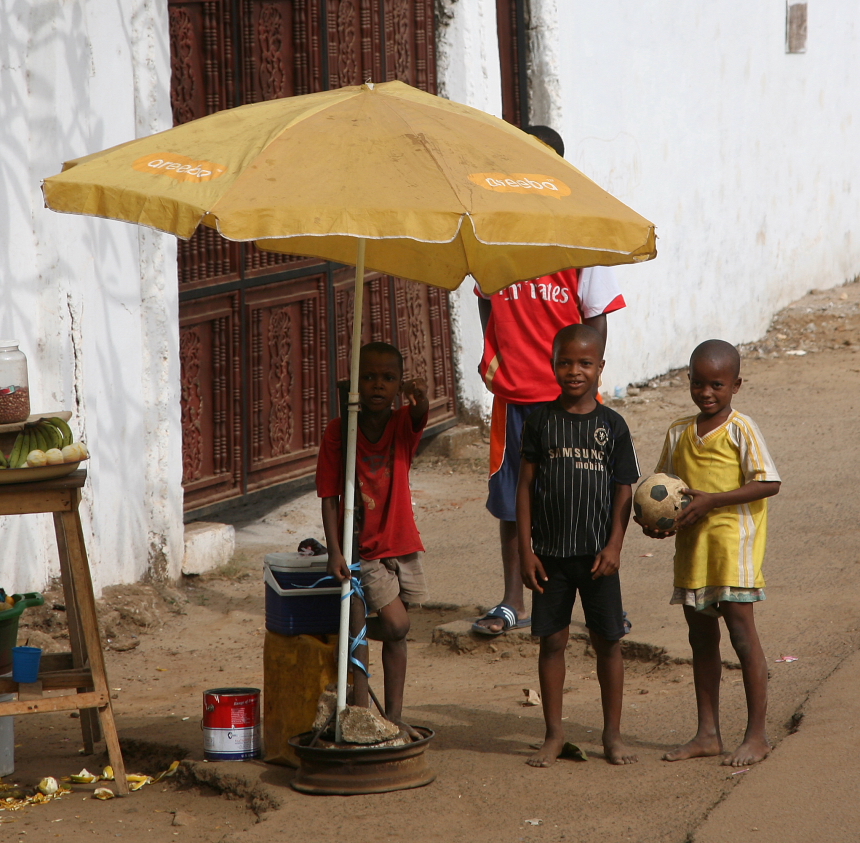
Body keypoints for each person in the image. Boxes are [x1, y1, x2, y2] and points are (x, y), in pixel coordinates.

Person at [472, 126, 627, 636]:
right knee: (513, 497)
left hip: (569, 400)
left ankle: (603, 601)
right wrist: (502, 361)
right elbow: (485, 299)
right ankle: (513, 600)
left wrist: (584, 376)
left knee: (587, 494)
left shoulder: (580, 234)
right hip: (514, 397)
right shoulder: (494, 232)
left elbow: (596, 315)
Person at [640, 339, 781, 767]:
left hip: (733, 552)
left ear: (736, 385)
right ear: (688, 381)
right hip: (694, 553)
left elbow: (769, 483)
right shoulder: (678, 431)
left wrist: (712, 501)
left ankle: (756, 736)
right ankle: (707, 733)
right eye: (698, 383)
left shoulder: (742, 428)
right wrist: (660, 521)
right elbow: (667, 488)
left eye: (716, 385)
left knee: (742, 637)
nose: (706, 393)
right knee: (701, 641)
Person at [518, 324, 639, 766]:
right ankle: (553, 734)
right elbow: (526, 486)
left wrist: (615, 545)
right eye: (565, 362)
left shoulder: (613, 426)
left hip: (598, 559)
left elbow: (625, 488)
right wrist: (525, 550)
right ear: (552, 365)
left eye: (585, 363)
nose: (574, 371)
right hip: (549, 556)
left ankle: (612, 734)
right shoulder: (540, 422)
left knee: (608, 642)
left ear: (600, 368)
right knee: (552, 643)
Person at [316, 342, 429, 728]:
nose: (377, 385)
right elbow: (329, 496)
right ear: (354, 383)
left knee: (398, 636)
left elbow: (419, 416)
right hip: (364, 547)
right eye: (368, 377)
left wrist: (420, 400)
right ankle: (346, 637)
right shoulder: (339, 432)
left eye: (387, 378)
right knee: (397, 625)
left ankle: (394, 718)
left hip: (403, 540)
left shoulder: (401, 426)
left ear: (398, 386)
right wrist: (335, 551)